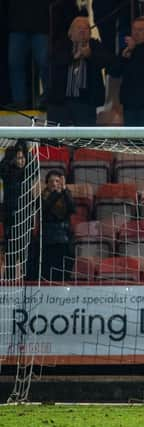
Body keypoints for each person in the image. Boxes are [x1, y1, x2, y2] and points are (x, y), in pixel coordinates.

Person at [48, 17, 114, 126]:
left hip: (86, 102)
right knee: (58, 140)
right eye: (79, 28)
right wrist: (74, 56)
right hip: (61, 101)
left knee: (85, 139)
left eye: (86, 28)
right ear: (71, 32)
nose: (82, 31)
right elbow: (54, 61)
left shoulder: (95, 46)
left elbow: (109, 62)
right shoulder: (61, 45)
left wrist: (90, 55)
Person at [110, 17, 144, 126]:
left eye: (140, 30)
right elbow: (115, 71)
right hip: (129, 104)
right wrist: (124, 57)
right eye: (134, 29)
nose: (136, 33)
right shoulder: (126, 49)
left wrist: (134, 50)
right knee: (131, 140)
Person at [7, 0, 50, 109]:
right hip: (18, 23)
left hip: (40, 24)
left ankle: (48, 98)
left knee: (44, 63)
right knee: (15, 64)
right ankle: (19, 101)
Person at [0, 140, 32, 280]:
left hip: (25, 216)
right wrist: (11, 154)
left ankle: (26, 279)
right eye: (18, 158)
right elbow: (2, 166)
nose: (22, 160)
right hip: (10, 217)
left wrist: (23, 145)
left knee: (26, 251)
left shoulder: (28, 172)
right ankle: (10, 278)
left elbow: (32, 162)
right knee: (11, 251)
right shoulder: (7, 173)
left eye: (23, 157)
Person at [41, 171, 75, 281]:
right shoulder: (42, 197)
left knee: (64, 268)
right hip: (48, 238)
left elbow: (72, 208)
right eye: (51, 181)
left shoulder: (66, 194)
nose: (54, 183)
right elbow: (45, 208)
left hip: (64, 237)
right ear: (46, 183)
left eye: (57, 181)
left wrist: (64, 190)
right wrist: (57, 193)